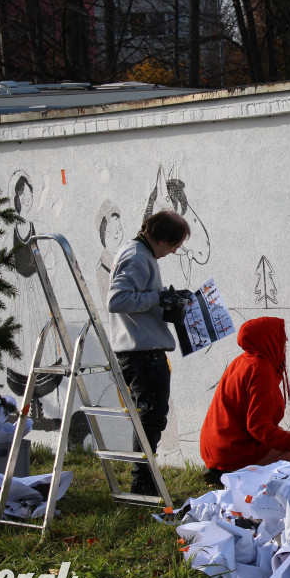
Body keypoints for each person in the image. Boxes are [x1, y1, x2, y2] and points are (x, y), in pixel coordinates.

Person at [108, 210, 191, 495]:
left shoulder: (139, 253)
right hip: (142, 353)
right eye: (174, 245)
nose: (173, 251)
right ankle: (142, 484)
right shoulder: (137, 256)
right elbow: (117, 299)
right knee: (151, 418)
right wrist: (158, 297)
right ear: (162, 238)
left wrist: (167, 300)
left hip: (139, 349)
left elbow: (137, 297)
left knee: (150, 417)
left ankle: (144, 480)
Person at [200, 317, 290, 484]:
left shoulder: (243, 361)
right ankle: (242, 477)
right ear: (269, 339)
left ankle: (230, 471)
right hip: (232, 449)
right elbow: (258, 426)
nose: (285, 343)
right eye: (281, 338)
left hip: (218, 445)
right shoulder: (260, 370)